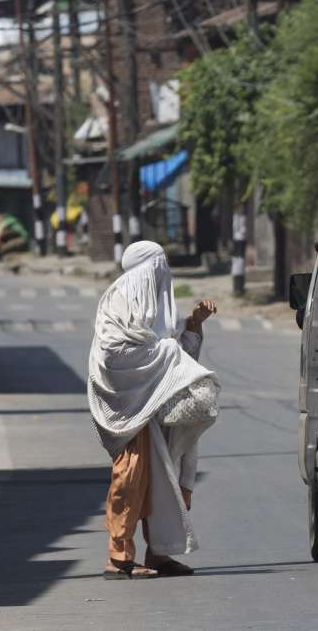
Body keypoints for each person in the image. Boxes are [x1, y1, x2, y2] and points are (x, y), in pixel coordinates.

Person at [87, 241, 221, 580]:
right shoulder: (120, 299)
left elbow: (178, 352)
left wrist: (192, 323)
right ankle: (118, 557)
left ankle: (159, 554)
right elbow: (113, 354)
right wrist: (166, 355)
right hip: (130, 407)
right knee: (131, 476)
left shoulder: (158, 306)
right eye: (157, 266)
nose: (162, 273)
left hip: (161, 400)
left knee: (168, 477)